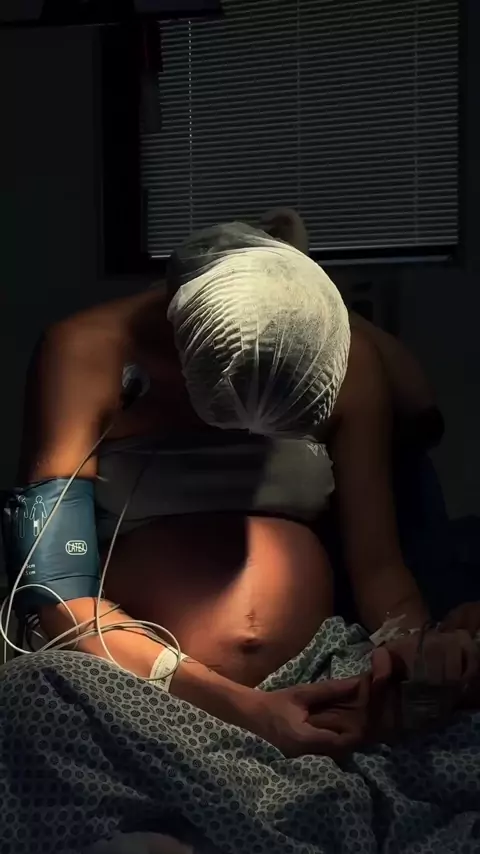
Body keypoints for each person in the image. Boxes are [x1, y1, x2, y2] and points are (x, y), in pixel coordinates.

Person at [4, 210, 479, 759]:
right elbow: (56, 593)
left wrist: (414, 651)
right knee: (28, 704)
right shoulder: (86, 352)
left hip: (319, 675)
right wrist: (246, 710)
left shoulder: (343, 355)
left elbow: (380, 572)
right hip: (142, 680)